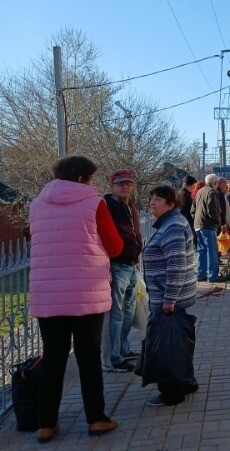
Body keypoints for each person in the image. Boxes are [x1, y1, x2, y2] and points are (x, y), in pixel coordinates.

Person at [29, 155, 121, 442]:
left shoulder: (36, 204)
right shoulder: (95, 203)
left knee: (53, 357)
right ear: (82, 178)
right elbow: (115, 246)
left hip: (48, 293)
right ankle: (96, 418)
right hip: (86, 292)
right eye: (91, 177)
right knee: (88, 355)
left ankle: (46, 423)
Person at [141, 186, 198, 407]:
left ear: (171, 204)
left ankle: (172, 392)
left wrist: (169, 300)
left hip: (169, 299)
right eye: (152, 199)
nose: (152, 203)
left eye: (158, 200)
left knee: (167, 347)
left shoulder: (172, 226)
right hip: (170, 296)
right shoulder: (171, 223)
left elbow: (177, 265)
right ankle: (187, 381)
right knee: (179, 344)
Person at [102, 169, 144, 373]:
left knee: (128, 310)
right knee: (116, 313)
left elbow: (134, 233)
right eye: (120, 184)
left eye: (128, 184)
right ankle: (113, 357)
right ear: (112, 186)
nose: (124, 187)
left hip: (130, 263)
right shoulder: (108, 205)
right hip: (116, 264)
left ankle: (123, 348)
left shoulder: (130, 206)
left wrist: (136, 257)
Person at [191, 174, 223, 282]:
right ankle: (213, 275)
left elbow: (193, 209)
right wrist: (218, 223)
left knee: (202, 251)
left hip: (198, 225)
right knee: (212, 251)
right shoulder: (212, 192)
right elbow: (212, 210)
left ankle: (201, 274)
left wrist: (196, 219)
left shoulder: (199, 191)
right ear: (215, 183)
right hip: (208, 226)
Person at [179, 175, 197, 247]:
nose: (194, 187)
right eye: (194, 185)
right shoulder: (184, 195)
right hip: (186, 224)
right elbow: (184, 211)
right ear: (190, 184)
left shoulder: (181, 193)